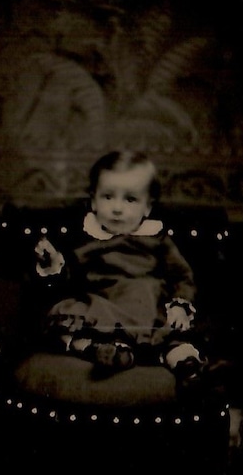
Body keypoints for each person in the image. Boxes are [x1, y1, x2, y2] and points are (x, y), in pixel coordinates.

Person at [34, 150, 206, 382]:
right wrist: (54, 264)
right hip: (101, 303)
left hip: (145, 303)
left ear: (147, 207)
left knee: (174, 335)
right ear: (93, 200)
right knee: (64, 320)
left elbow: (182, 276)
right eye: (108, 197)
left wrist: (180, 305)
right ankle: (100, 350)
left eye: (130, 199)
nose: (117, 208)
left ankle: (184, 362)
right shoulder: (87, 238)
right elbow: (70, 277)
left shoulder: (156, 239)